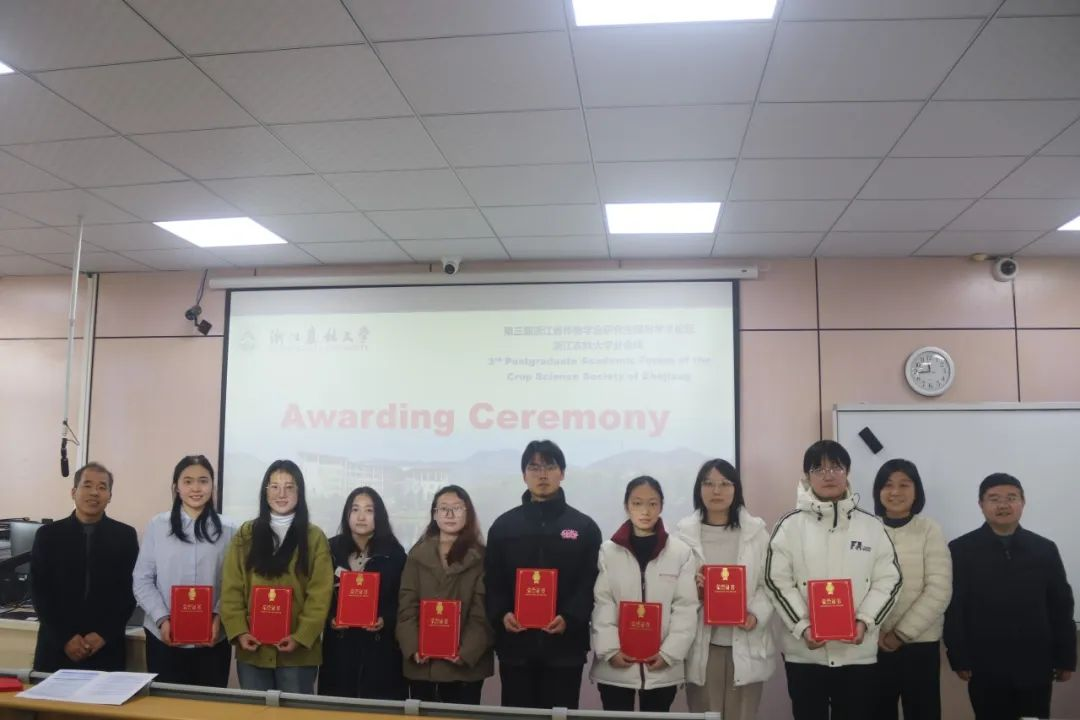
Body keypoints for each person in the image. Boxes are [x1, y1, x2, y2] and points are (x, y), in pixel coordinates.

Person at [765, 440, 902, 720]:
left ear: (847, 472)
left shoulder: (871, 526)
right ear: (807, 476)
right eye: (819, 468)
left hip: (857, 654)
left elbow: (889, 580)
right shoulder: (789, 526)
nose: (828, 475)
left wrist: (865, 621)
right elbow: (776, 581)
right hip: (805, 654)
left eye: (836, 467)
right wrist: (803, 627)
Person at [944, 473, 1075, 720]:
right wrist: (959, 657)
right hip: (984, 664)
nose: (1003, 505)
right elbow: (954, 608)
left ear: (1023, 502)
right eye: (994, 499)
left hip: (1036, 663)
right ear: (981, 504)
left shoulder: (1044, 549)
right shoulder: (960, 549)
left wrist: (1066, 658)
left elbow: (1061, 606)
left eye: (1011, 498)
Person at [483, 439, 602, 709]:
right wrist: (502, 614)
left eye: (549, 466)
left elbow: (590, 582)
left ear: (562, 473)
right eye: (534, 467)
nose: (542, 474)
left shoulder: (584, 527)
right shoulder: (503, 526)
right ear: (524, 475)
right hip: (516, 647)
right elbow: (493, 580)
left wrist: (570, 618)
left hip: (565, 649)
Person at [220, 460, 333, 693]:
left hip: (298, 655)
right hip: (253, 650)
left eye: (289, 487)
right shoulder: (246, 534)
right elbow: (231, 587)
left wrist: (301, 636)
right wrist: (240, 631)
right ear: (265, 491)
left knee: (295, 711)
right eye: (274, 487)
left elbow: (320, 595)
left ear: (300, 492)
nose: (281, 494)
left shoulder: (314, 537)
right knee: (255, 711)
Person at [676, 459, 776, 720]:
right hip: (702, 643)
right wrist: (693, 590)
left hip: (745, 639)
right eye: (708, 483)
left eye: (724, 484)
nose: (716, 490)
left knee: (742, 714)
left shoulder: (756, 533)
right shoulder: (683, 536)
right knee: (704, 714)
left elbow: (771, 584)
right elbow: (672, 589)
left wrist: (755, 615)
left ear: (736, 489)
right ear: (699, 489)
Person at [590, 476, 698, 712]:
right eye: (637, 503)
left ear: (661, 506)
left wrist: (669, 654)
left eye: (652, 503)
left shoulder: (680, 552)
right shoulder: (609, 551)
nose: (645, 511)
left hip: (661, 667)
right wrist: (610, 650)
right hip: (615, 667)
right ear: (626, 506)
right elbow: (603, 602)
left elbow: (685, 607)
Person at [133, 455, 238, 686]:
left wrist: (219, 616)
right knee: (167, 703)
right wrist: (162, 618)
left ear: (212, 486)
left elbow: (235, 583)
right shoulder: (158, 526)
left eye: (203, 481)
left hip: (213, 637)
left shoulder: (230, 529)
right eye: (188, 481)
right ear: (176, 487)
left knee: (207, 703)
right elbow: (142, 579)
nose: (196, 488)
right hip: (163, 637)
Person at [31, 462, 139, 672]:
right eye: (87, 485)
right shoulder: (48, 535)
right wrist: (65, 638)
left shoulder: (125, 536)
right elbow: (39, 591)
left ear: (110, 496)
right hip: (56, 647)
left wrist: (103, 634)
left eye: (102, 487)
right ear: (73, 492)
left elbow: (129, 592)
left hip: (106, 648)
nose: (94, 492)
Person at [396, 485, 494, 704]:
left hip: (465, 668)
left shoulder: (483, 558)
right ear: (434, 514)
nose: (449, 514)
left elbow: (483, 613)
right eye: (443, 508)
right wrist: (413, 647)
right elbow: (406, 607)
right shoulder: (416, 555)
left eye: (457, 508)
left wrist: (466, 652)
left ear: (468, 513)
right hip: (422, 664)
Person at [871, 459, 951, 720]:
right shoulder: (866, 529)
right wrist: (875, 631)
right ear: (878, 491)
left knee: (923, 712)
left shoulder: (930, 530)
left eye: (904, 484)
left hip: (920, 644)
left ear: (916, 491)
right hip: (873, 643)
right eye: (887, 485)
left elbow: (939, 589)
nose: (895, 492)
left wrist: (900, 634)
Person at [318, 486, 407, 700]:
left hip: (380, 650)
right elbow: (318, 594)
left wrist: (386, 619)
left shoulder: (394, 553)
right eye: (355, 509)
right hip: (340, 649)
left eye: (369, 510)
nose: (361, 517)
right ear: (347, 514)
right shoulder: (330, 550)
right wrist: (330, 618)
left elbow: (404, 601)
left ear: (379, 516)